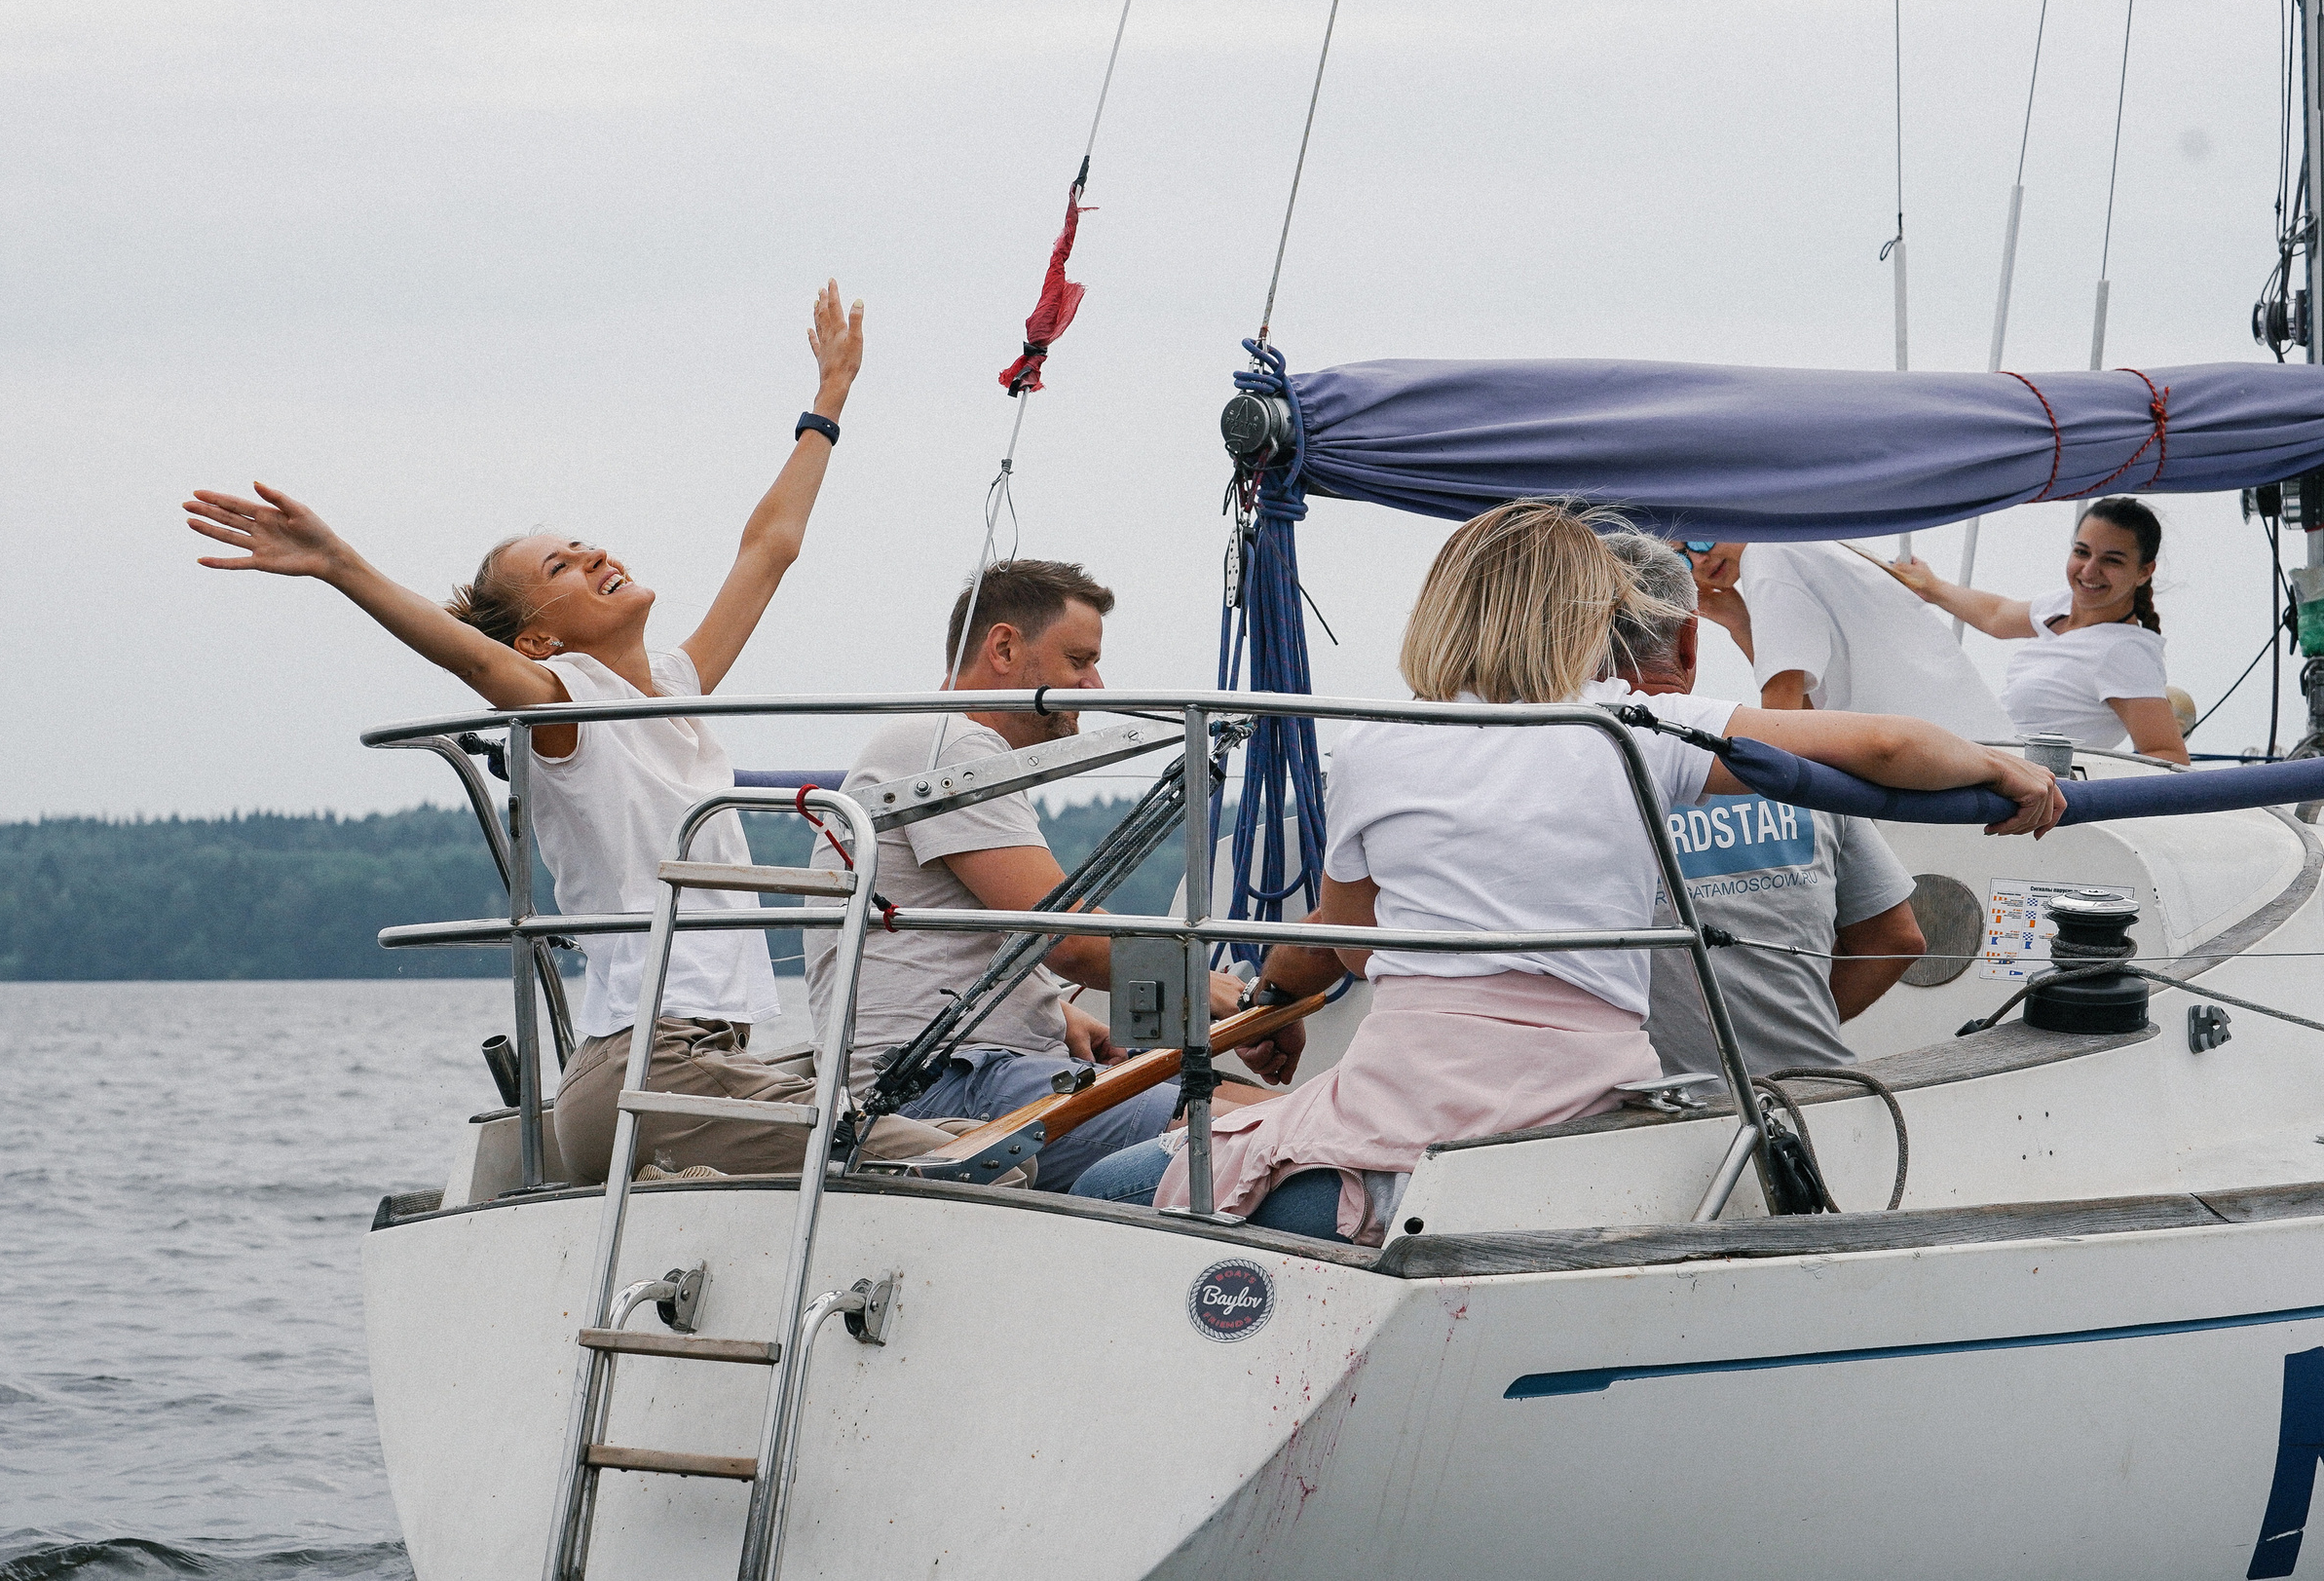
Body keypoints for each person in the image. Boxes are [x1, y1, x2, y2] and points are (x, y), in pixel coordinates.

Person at [1071, 502, 2063, 1244]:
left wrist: (1278, 1003)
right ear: (1588, 620)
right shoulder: (1634, 732)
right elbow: (1886, 745)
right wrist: (1999, 769)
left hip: (1383, 1134)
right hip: (1560, 1130)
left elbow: (1335, 937)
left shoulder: (1376, 750)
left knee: (1096, 1192)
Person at [185, 281, 964, 1185]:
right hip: (648, 1071)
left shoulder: (675, 683)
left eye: (589, 544)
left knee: (931, 1115)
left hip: (710, 1055)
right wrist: (340, 566)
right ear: (538, 637)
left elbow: (769, 547)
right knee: (954, 1160)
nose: (596, 555)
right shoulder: (566, 705)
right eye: (561, 564)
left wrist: (828, 399)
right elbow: (474, 663)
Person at [804, 559, 1265, 1192]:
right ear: (1003, 646)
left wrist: (1061, 1016)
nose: (1095, 685)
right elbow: (1071, 942)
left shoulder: (952, 754)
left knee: (1247, 1103)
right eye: (1079, 660)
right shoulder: (950, 746)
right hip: (938, 1084)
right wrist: (1210, 994)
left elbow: (1008, 946)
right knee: (1268, 1128)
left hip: (982, 1068)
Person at [1605, 531, 1926, 1084]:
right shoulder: (1805, 772)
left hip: (1648, 1113)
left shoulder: (1562, 772)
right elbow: (1896, 940)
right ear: (1689, 645)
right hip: (1816, 1096)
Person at [1889, 496, 2186, 763]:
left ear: (2144, 572)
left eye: (2112, 560)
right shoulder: (2060, 606)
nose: (2089, 570)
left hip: (2021, 791)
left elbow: (2169, 757)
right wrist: (1932, 586)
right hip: (1983, 759)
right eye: (2082, 552)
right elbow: (1997, 616)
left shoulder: (2124, 652)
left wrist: (2078, 796)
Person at [1682, 539, 2014, 738]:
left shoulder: (1767, 555)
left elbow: (1781, 722)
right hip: (1972, 743)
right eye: (1681, 556)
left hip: (1941, 761)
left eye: (1700, 540)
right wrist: (1739, 623)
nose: (1699, 559)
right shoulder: (1802, 545)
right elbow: (1802, 720)